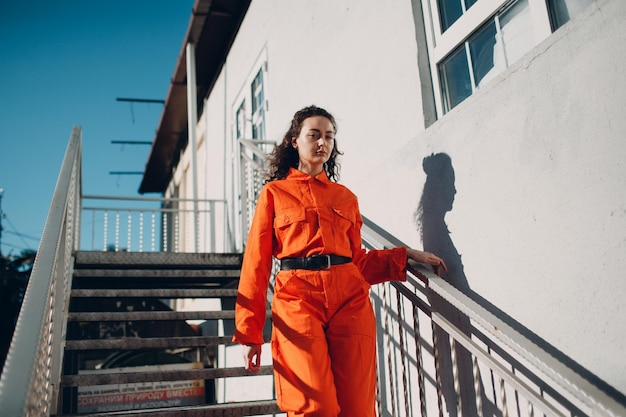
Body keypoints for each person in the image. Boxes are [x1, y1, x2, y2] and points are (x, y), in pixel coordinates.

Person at [233, 105, 447, 417]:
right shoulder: (274, 194)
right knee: (314, 406)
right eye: (314, 135)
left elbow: (356, 261)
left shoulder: (345, 197)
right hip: (297, 299)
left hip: (350, 300)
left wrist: (402, 256)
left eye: (329, 137)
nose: (323, 143)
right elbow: (255, 265)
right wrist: (249, 333)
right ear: (294, 140)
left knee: (357, 408)